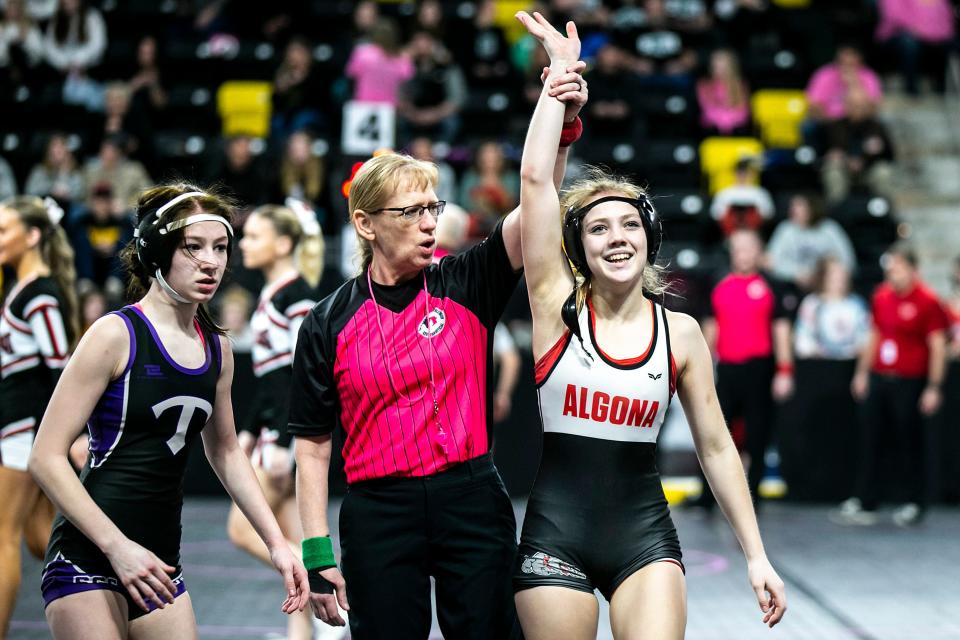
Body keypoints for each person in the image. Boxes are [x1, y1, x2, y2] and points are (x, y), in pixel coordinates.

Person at [288, 63, 588, 638]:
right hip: (379, 511)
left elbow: (539, 200)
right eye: (411, 212)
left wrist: (562, 116)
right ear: (365, 223)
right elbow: (313, 445)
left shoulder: (466, 281)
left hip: (470, 499)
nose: (431, 223)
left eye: (433, 208)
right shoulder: (328, 322)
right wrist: (317, 549)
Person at [512, 12, 785, 638]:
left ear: (650, 238)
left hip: (644, 535)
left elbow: (717, 446)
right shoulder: (556, 305)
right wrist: (558, 76)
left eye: (629, 224)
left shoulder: (681, 332)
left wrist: (756, 554)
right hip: (557, 533)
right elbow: (535, 183)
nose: (616, 237)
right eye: (598, 227)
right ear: (577, 248)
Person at [27, 184, 309, 638]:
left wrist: (277, 543)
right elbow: (45, 456)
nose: (211, 261)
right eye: (192, 247)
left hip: (160, 560)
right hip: (89, 557)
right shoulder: (114, 335)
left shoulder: (217, 349)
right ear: (157, 253)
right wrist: (118, 548)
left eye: (220, 247)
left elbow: (226, 451)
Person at [227, 203, 323, 640]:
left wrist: (286, 444)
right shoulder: (272, 293)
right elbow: (267, 381)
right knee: (293, 537)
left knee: (242, 530)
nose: (243, 244)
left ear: (283, 244)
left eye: (254, 236)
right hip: (273, 433)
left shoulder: (297, 296)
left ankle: (324, 588)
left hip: (285, 439)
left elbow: (302, 377)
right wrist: (247, 431)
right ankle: (305, 630)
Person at [0, 195, 78, 638]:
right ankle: (100, 604)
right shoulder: (21, 287)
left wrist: (63, 439)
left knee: (2, 537)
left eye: (3, 230)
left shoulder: (40, 294)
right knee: (38, 538)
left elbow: (61, 369)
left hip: (24, 433)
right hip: (14, 429)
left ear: (31, 237)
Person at [834, 244, 948, 527]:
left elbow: (937, 347)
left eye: (898, 269)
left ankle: (914, 501)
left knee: (909, 441)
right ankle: (866, 499)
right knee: (870, 438)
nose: (892, 275)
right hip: (880, 376)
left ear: (913, 270)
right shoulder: (881, 296)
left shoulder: (928, 301)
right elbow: (874, 335)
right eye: (890, 270)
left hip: (909, 380)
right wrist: (862, 372)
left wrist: (934, 386)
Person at [697, 228, 796, 511]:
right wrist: (701, 369)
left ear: (758, 252)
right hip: (727, 368)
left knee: (758, 435)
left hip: (759, 368)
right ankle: (708, 496)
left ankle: (754, 497)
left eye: (749, 248)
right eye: (738, 248)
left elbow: (781, 330)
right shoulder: (719, 283)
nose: (743, 254)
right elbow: (709, 329)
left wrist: (785, 370)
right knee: (716, 433)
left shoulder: (771, 285)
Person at [766, 193, 855, 292]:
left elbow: (848, 262)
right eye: (792, 206)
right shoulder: (786, 229)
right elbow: (771, 262)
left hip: (827, 286)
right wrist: (795, 274)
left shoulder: (829, 229)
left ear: (812, 207)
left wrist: (823, 274)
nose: (793, 210)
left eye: (799, 205)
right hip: (791, 287)